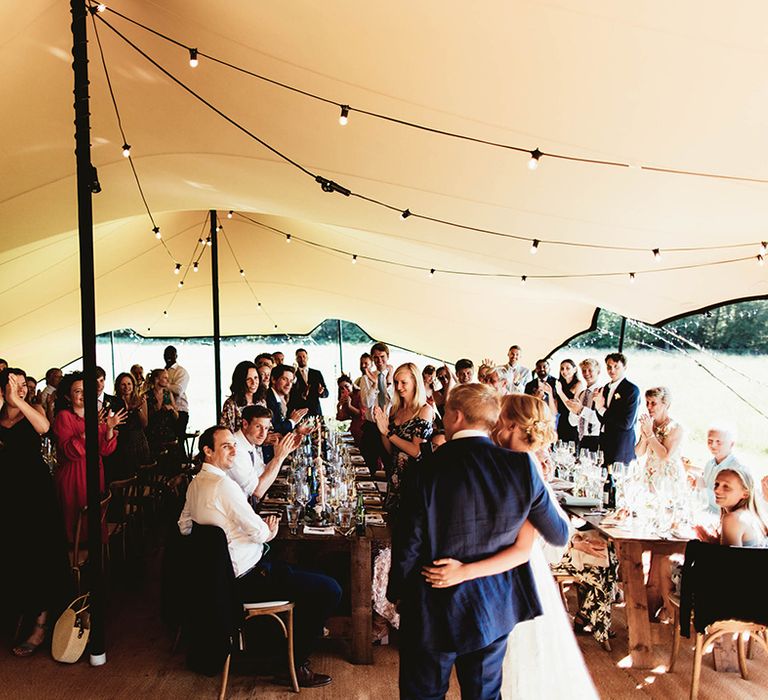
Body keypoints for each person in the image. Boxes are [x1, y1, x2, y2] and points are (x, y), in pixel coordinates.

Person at [387, 383, 569, 699]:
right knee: (483, 694)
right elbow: (558, 535)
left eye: (444, 412)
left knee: (424, 694)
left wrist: (399, 593)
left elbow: (410, 541)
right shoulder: (522, 466)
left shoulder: (427, 467)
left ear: (456, 416)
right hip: (492, 605)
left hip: (431, 602)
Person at [178, 426, 341, 687]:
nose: (233, 450)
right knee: (330, 589)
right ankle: (292, 664)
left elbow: (184, 526)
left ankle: (276, 646)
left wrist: (222, 537)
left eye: (233, 444)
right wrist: (269, 529)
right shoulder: (223, 485)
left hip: (221, 580)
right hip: (247, 579)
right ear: (207, 451)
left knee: (316, 575)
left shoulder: (196, 483)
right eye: (225, 446)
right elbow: (260, 533)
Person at [491, 393, 600, 697]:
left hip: (521, 570)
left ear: (512, 424)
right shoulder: (516, 461)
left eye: (499, 418)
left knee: (525, 659)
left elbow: (549, 534)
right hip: (510, 564)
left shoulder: (525, 465)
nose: (494, 424)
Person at [0, 368, 72, 657]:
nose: (19, 388)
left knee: (39, 553)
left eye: (22, 384)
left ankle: (41, 624)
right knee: (13, 553)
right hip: (7, 493)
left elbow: (44, 428)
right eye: (12, 383)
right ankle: (16, 612)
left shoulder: (35, 409)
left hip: (34, 493)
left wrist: (19, 402)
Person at [52, 372, 126, 541]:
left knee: (94, 521)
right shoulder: (64, 417)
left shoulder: (95, 415)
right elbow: (69, 451)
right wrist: (90, 429)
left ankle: (96, 561)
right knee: (77, 524)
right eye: (78, 391)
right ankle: (78, 559)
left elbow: (106, 450)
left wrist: (108, 429)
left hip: (95, 473)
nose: (84, 395)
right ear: (68, 396)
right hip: (74, 476)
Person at [372, 363, 433, 516]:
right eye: (396, 382)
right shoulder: (395, 409)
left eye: (404, 382)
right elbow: (390, 450)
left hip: (414, 480)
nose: (399, 387)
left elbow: (417, 451)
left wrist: (388, 432)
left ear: (415, 383)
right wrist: (382, 429)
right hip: (394, 477)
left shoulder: (424, 410)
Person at [229, 405, 300, 502]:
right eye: (258, 427)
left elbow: (263, 472)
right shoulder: (235, 449)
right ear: (245, 424)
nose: (263, 434)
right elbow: (257, 491)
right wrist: (278, 458)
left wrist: (281, 454)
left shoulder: (248, 442)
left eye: (266, 428)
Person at [696, 467, 768, 547]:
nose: (716, 490)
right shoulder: (751, 515)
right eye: (716, 484)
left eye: (726, 486)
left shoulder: (733, 518)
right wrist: (712, 540)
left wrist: (704, 542)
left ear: (745, 494)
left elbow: (728, 559)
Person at [592, 352, 640, 465]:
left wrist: (601, 408)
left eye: (616, 367)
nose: (612, 370)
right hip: (605, 441)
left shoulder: (631, 390)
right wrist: (597, 407)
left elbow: (626, 423)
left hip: (621, 445)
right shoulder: (605, 388)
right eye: (609, 367)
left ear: (625, 368)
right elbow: (602, 420)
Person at [634, 386, 685, 489]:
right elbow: (639, 453)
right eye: (647, 403)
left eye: (653, 403)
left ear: (665, 404)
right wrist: (644, 437)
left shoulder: (675, 427)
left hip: (668, 478)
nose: (649, 407)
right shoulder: (650, 424)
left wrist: (649, 433)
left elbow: (664, 456)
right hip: (650, 475)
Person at [359, 342, 393, 477]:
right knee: (368, 467)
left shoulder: (394, 378)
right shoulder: (365, 378)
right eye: (376, 357)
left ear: (388, 356)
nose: (379, 360)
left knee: (390, 465)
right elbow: (366, 403)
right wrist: (374, 384)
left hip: (389, 426)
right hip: (371, 427)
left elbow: (394, 401)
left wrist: (388, 382)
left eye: (382, 356)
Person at [109, 371, 150, 481]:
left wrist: (138, 408)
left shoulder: (140, 399)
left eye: (129, 384)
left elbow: (145, 424)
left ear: (133, 385)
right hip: (121, 442)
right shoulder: (114, 402)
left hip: (138, 440)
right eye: (123, 384)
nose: (126, 387)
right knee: (124, 475)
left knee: (140, 477)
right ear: (118, 386)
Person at [564, 358, 602, 452]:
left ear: (598, 372)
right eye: (584, 371)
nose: (587, 373)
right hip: (580, 439)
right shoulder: (581, 394)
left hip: (596, 438)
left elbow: (599, 419)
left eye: (590, 370)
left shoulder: (602, 392)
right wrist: (574, 411)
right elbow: (573, 422)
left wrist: (581, 409)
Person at [146, 368, 179, 458]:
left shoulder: (168, 394)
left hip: (169, 434)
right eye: (165, 377)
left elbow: (177, 416)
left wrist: (171, 409)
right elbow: (146, 419)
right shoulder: (147, 396)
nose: (168, 380)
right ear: (157, 379)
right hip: (153, 435)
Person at [266, 364, 308, 435]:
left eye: (291, 381)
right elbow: (273, 429)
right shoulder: (268, 399)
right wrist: (292, 421)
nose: (289, 384)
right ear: (273, 379)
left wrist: (297, 431)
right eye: (284, 379)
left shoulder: (281, 399)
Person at [220, 361, 260, 433]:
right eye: (248, 379)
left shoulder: (261, 401)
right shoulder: (231, 404)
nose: (254, 382)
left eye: (256, 378)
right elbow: (227, 432)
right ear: (241, 381)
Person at [289, 348, 329, 417]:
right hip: (299, 411)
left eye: (304, 356)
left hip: (315, 410)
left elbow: (326, 392)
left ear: (307, 358)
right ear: (296, 359)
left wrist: (321, 392)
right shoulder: (292, 374)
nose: (302, 359)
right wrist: (302, 395)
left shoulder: (316, 373)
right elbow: (290, 393)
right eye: (299, 357)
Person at [164, 345, 190, 443]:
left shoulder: (181, 371)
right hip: (165, 411)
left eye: (171, 354)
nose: (168, 357)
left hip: (180, 411)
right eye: (166, 355)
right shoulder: (163, 371)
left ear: (176, 356)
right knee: (167, 442)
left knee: (178, 443)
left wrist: (163, 384)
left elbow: (178, 390)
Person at [554, 359, 583, 443]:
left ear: (575, 369)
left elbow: (572, 407)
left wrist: (560, 392)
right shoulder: (559, 384)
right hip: (561, 420)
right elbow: (555, 407)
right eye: (562, 368)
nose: (564, 371)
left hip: (572, 420)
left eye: (568, 368)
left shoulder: (578, 384)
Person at [335, 375, 364, 446]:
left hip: (363, 430)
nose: (345, 389)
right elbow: (341, 418)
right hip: (354, 431)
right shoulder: (346, 398)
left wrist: (349, 406)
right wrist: (339, 406)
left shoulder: (360, 394)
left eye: (346, 386)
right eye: (341, 388)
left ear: (351, 385)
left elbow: (361, 414)